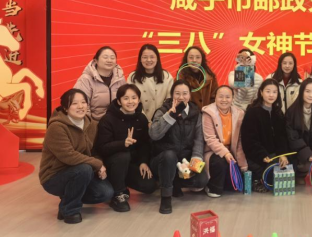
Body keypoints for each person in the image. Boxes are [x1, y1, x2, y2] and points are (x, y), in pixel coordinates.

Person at [39, 89, 113, 224]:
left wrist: (99, 164)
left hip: (81, 172)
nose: (80, 106)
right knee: (84, 169)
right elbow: (69, 156)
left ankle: (67, 200)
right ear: (65, 108)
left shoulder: (92, 125)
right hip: (54, 176)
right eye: (74, 103)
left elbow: (94, 151)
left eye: (83, 102)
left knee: (105, 193)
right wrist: (96, 164)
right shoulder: (56, 127)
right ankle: (70, 210)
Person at [149, 80, 209, 214]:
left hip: (184, 161)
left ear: (190, 95)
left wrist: (196, 158)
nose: (181, 97)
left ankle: (174, 181)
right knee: (169, 155)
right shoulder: (162, 111)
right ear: (172, 95)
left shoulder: (195, 113)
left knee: (201, 180)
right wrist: (170, 115)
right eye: (177, 93)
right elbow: (154, 134)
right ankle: (166, 197)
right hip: (163, 160)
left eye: (185, 93)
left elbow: (198, 139)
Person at [95, 84, 157, 212]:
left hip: (130, 164)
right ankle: (118, 194)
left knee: (149, 186)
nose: (130, 102)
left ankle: (121, 184)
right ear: (119, 101)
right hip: (112, 164)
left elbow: (144, 144)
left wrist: (143, 162)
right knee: (123, 155)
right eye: (126, 98)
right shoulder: (108, 119)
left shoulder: (141, 118)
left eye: (134, 98)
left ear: (138, 100)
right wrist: (122, 144)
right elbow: (101, 148)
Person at [240, 78, 289, 192]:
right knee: (270, 168)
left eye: (274, 92)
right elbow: (249, 139)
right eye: (268, 91)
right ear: (261, 92)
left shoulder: (278, 112)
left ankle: (264, 179)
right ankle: (257, 180)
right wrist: (262, 154)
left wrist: (282, 154)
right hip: (257, 155)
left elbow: (282, 137)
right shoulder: (252, 111)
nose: (271, 95)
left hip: (274, 154)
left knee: (287, 164)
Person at [202, 85, 248, 198]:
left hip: (231, 152)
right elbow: (210, 139)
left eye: (227, 97)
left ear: (232, 98)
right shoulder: (208, 112)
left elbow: (239, 141)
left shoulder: (239, 113)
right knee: (220, 162)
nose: (224, 100)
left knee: (234, 186)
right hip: (212, 151)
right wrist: (225, 153)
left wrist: (242, 164)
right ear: (215, 97)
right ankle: (211, 187)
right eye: (220, 96)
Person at [74, 46, 126, 120]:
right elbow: (82, 107)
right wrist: (91, 124)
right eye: (105, 57)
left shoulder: (120, 78)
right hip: (95, 123)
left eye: (112, 58)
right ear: (96, 61)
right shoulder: (85, 80)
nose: (109, 60)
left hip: (116, 122)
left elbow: (125, 100)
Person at [127, 44, 173, 120]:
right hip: (138, 119)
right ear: (140, 59)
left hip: (161, 119)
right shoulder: (132, 77)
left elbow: (169, 100)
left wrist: (158, 118)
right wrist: (143, 119)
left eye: (152, 57)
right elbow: (130, 101)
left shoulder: (166, 76)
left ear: (157, 58)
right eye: (145, 57)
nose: (148, 60)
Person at [177, 46, 218, 110]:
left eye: (198, 57)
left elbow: (215, 98)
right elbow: (178, 98)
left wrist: (208, 111)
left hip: (207, 113)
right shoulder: (180, 77)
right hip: (187, 114)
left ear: (202, 59)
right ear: (186, 59)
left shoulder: (210, 78)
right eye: (191, 57)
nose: (194, 60)